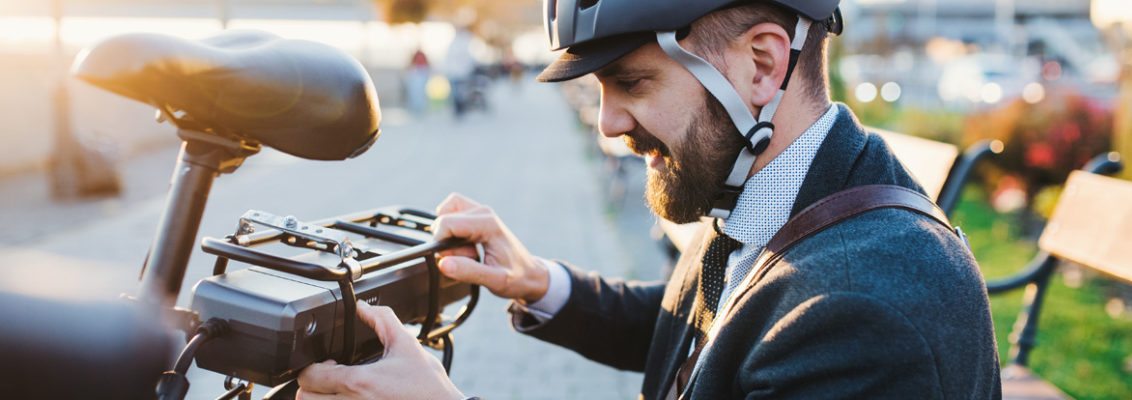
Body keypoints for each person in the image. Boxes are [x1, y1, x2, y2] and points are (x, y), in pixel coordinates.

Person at [296, 0, 1002, 399]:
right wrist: (542, 284)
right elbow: (709, 333)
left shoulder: (863, 310)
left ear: (761, 64)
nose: (607, 124)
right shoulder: (777, 192)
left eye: (632, 84)